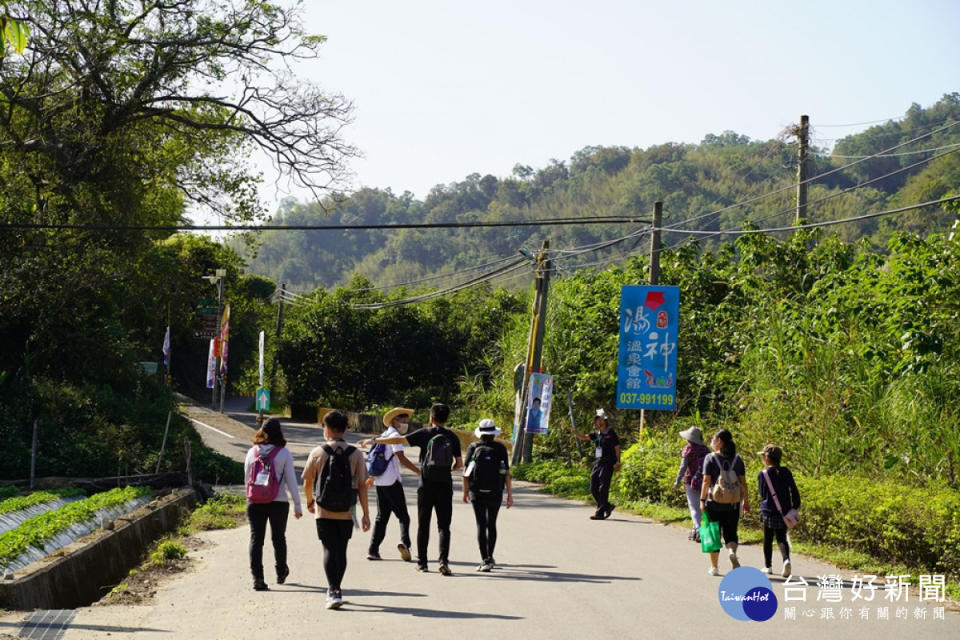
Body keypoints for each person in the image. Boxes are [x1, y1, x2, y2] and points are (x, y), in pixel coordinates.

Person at [360, 402, 462, 575]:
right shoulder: (453, 437)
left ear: (431, 417)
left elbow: (398, 440)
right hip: (445, 485)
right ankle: (443, 561)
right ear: (446, 419)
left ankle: (422, 563)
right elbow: (459, 464)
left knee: (424, 524)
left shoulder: (425, 433)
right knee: (444, 526)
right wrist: (447, 471)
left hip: (426, 484)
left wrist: (374, 440)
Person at [302, 409, 371, 609]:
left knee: (328, 549)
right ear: (344, 429)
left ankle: (333, 590)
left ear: (329, 429)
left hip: (323, 509)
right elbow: (362, 487)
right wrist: (366, 514)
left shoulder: (318, 452)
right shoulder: (356, 453)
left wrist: (309, 502)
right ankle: (337, 588)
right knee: (341, 550)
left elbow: (308, 481)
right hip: (347, 510)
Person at [244, 418, 302, 591]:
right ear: (279, 433)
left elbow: (247, 478)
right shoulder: (284, 453)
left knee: (256, 539)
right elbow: (291, 480)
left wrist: (249, 497)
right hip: (279, 502)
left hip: (254, 501)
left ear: (262, 431)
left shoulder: (251, 452)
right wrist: (298, 505)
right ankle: (281, 571)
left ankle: (258, 577)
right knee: (278, 537)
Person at [366, 407, 419, 561]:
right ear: (395, 421)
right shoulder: (394, 435)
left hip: (380, 481)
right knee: (403, 516)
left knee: (381, 517)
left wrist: (371, 477)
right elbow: (401, 457)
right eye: (403, 421)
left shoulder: (383, 435)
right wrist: (418, 471)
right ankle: (405, 544)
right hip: (392, 482)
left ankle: (373, 550)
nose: (405, 425)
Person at [462, 418, 513, 572]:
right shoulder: (500, 448)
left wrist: (465, 491)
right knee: (491, 524)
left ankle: (484, 559)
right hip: (495, 491)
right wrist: (509, 495)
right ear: (493, 433)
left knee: (480, 524)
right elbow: (506, 474)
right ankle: (490, 556)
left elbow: (465, 474)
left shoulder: (473, 447)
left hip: (476, 491)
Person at [700, 429, 749, 576]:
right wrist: (746, 501)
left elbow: (706, 481)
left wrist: (702, 500)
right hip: (733, 504)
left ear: (719, 440)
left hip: (714, 503)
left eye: (714, 439)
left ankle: (714, 567)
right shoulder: (738, 459)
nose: (713, 441)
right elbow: (743, 483)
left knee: (714, 534)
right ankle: (732, 552)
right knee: (731, 533)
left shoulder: (710, 458)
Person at [757, 444, 800, 577]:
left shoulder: (763, 474)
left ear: (768, 458)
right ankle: (786, 560)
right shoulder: (786, 471)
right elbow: (793, 489)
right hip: (785, 511)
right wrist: (795, 505)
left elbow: (762, 493)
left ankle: (768, 566)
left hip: (769, 510)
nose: (763, 458)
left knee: (768, 538)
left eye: (763, 456)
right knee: (782, 538)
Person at [570, 408, 620, 520]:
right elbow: (585, 438)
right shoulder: (596, 434)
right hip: (598, 462)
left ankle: (600, 513)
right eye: (597, 420)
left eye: (601, 419)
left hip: (608, 462)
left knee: (603, 487)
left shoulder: (611, 432)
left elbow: (617, 447)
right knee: (593, 487)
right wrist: (576, 433)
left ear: (605, 420)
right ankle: (607, 506)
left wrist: (618, 462)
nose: (599, 422)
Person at [672, 426, 710, 542]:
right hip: (705, 482)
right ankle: (697, 530)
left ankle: (698, 530)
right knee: (703, 507)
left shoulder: (688, 449)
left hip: (690, 481)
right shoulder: (706, 450)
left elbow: (683, 467)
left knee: (694, 507)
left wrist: (677, 481)